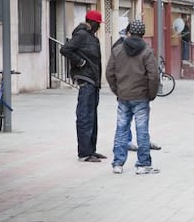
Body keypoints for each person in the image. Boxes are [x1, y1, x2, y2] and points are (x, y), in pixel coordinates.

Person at [106, 20, 160, 174]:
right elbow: (153, 76)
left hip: (123, 96)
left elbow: (109, 73)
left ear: (129, 32)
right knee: (142, 130)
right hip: (141, 96)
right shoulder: (147, 51)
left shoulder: (117, 50)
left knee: (121, 129)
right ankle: (142, 165)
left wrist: (117, 90)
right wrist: (151, 94)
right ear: (142, 34)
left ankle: (118, 163)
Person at [60, 10, 106, 162]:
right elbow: (65, 49)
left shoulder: (91, 36)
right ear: (92, 23)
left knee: (92, 117)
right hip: (86, 80)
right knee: (85, 116)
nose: (99, 27)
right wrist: (80, 62)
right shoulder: (81, 35)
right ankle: (84, 153)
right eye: (98, 24)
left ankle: (91, 150)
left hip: (93, 81)